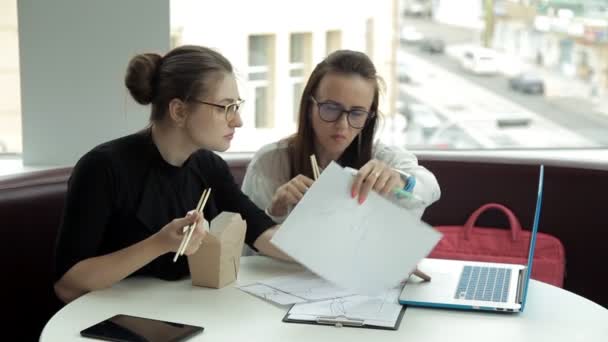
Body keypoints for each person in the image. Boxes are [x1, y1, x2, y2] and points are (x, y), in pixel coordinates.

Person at [53, 45, 288, 304]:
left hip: (179, 312)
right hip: (110, 320)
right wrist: (160, 243)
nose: (238, 121)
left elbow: (261, 233)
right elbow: (68, 284)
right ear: (179, 111)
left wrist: (331, 250)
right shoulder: (103, 167)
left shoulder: (210, 166)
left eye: (236, 106)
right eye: (224, 108)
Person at [242, 50, 440, 224]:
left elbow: (431, 188)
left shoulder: (383, 158)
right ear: (309, 106)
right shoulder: (269, 163)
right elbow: (244, 253)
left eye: (356, 113)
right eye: (330, 108)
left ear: (369, 117)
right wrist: (275, 212)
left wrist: (400, 181)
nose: (342, 125)